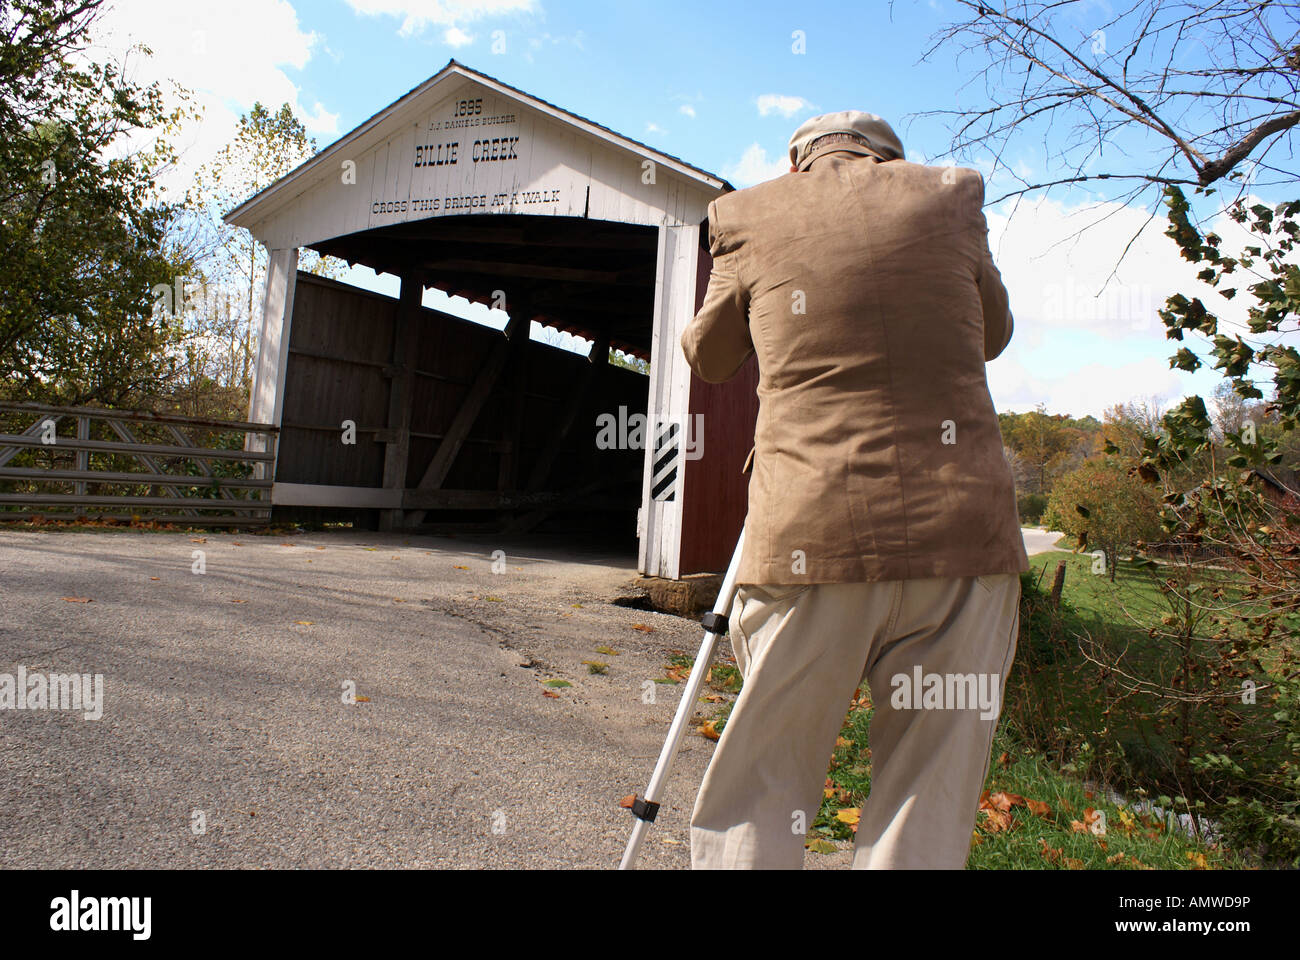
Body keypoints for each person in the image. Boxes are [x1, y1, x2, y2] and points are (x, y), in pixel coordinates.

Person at [680, 110, 1029, 869]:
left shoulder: (747, 213)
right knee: (927, 793)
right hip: (963, 540)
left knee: (767, 777)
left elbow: (707, 359)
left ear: (799, 160)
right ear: (889, 156)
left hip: (811, 536)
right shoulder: (953, 195)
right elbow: (993, 334)